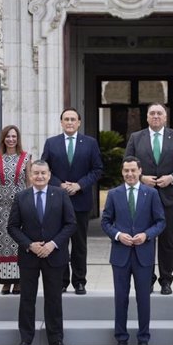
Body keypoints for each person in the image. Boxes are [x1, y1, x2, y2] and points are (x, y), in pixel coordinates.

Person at [7, 160, 76, 345]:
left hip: (55, 255)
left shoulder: (61, 195)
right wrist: (30, 245)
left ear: (49, 174)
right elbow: (12, 227)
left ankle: (56, 339)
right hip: (29, 256)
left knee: (54, 299)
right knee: (27, 299)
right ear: (29, 175)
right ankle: (26, 339)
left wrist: (53, 245)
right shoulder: (21, 197)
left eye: (43, 173)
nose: (39, 176)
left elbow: (70, 224)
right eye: (36, 173)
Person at [125, 103, 173, 295]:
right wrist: (141, 177)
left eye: (159, 113)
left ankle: (166, 280)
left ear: (165, 117)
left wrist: (171, 178)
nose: (155, 116)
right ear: (146, 117)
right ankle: (148, 278)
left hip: (168, 197)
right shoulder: (136, 138)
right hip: (143, 197)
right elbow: (127, 162)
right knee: (145, 239)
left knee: (167, 241)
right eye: (152, 113)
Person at [101, 156, 165, 345]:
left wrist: (146, 235)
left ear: (140, 171)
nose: (129, 174)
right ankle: (121, 338)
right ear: (122, 172)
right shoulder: (113, 194)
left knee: (143, 299)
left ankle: (143, 338)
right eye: (126, 171)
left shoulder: (151, 193)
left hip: (143, 254)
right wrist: (119, 235)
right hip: (120, 254)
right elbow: (105, 222)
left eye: (133, 170)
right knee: (121, 298)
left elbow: (160, 222)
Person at [41, 108, 103, 295]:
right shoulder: (52, 143)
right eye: (66, 119)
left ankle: (79, 281)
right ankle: (62, 281)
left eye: (73, 119)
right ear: (61, 122)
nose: (69, 122)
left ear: (79, 123)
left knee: (79, 244)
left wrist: (79, 185)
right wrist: (59, 185)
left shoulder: (90, 143)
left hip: (80, 200)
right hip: (57, 201)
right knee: (59, 242)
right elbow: (44, 169)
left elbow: (97, 169)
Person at [0, 125, 31, 295]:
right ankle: (5, 281)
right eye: (8, 136)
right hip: (1, 206)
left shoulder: (26, 157)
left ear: (18, 138)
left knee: (18, 243)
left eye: (14, 136)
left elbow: (29, 181)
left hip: (21, 206)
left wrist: (31, 204)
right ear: (3, 139)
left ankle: (19, 281)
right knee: (3, 244)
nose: (11, 139)